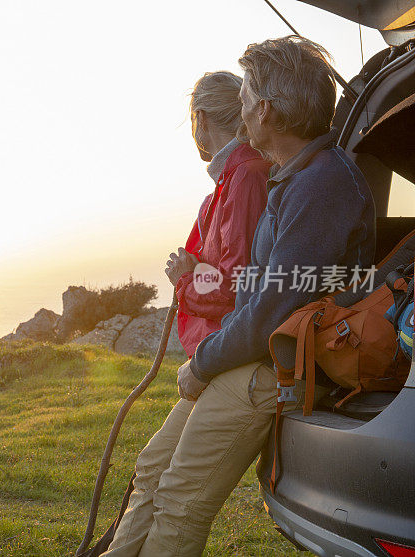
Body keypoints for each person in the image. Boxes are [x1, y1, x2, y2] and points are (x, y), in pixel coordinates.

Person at [102, 36, 375, 557]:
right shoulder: (293, 178)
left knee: (181, 498)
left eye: (247, 95)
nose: (242, 107)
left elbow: (274, 306)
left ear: (266, 109)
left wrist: (203, 361)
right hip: (253, 353)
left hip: (272, 366)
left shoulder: (319, 187)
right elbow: (258, 290)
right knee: (153, 470)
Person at [166, 71, 271, 358]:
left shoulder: (245, 177)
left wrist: (185, 281)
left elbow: (237, 290)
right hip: (225, 345)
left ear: (200, 118)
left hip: (233, 349)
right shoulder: (234, 178)